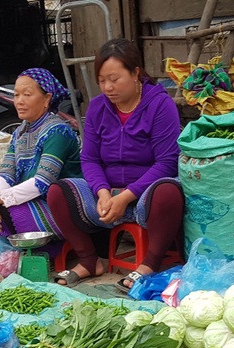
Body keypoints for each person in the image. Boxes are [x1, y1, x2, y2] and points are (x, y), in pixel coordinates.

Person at [47, 38, 183, 290]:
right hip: (107, 194)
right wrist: (102, 192)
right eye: (101, 80)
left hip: (145, 195)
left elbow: (167, 162)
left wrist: (126, 197)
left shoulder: (160, 104)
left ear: (135, 73)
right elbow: (89, 158)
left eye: (114, 78)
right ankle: (89, 260)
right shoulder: (98, 107)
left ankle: (149, 265)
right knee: (58, 192)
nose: (108, 87)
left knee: (168, 191)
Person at [0, 68, 80, 238]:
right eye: (16, 95)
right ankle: (17, 244)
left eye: (27, 95)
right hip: (31, 202)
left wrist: (0, 199)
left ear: (47, 99)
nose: (19, 101)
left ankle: (50, 246)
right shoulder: (20, 132)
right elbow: (7, 173)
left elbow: (42, 182)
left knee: (1, 205)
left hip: (61, 209)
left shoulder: (58, 131)